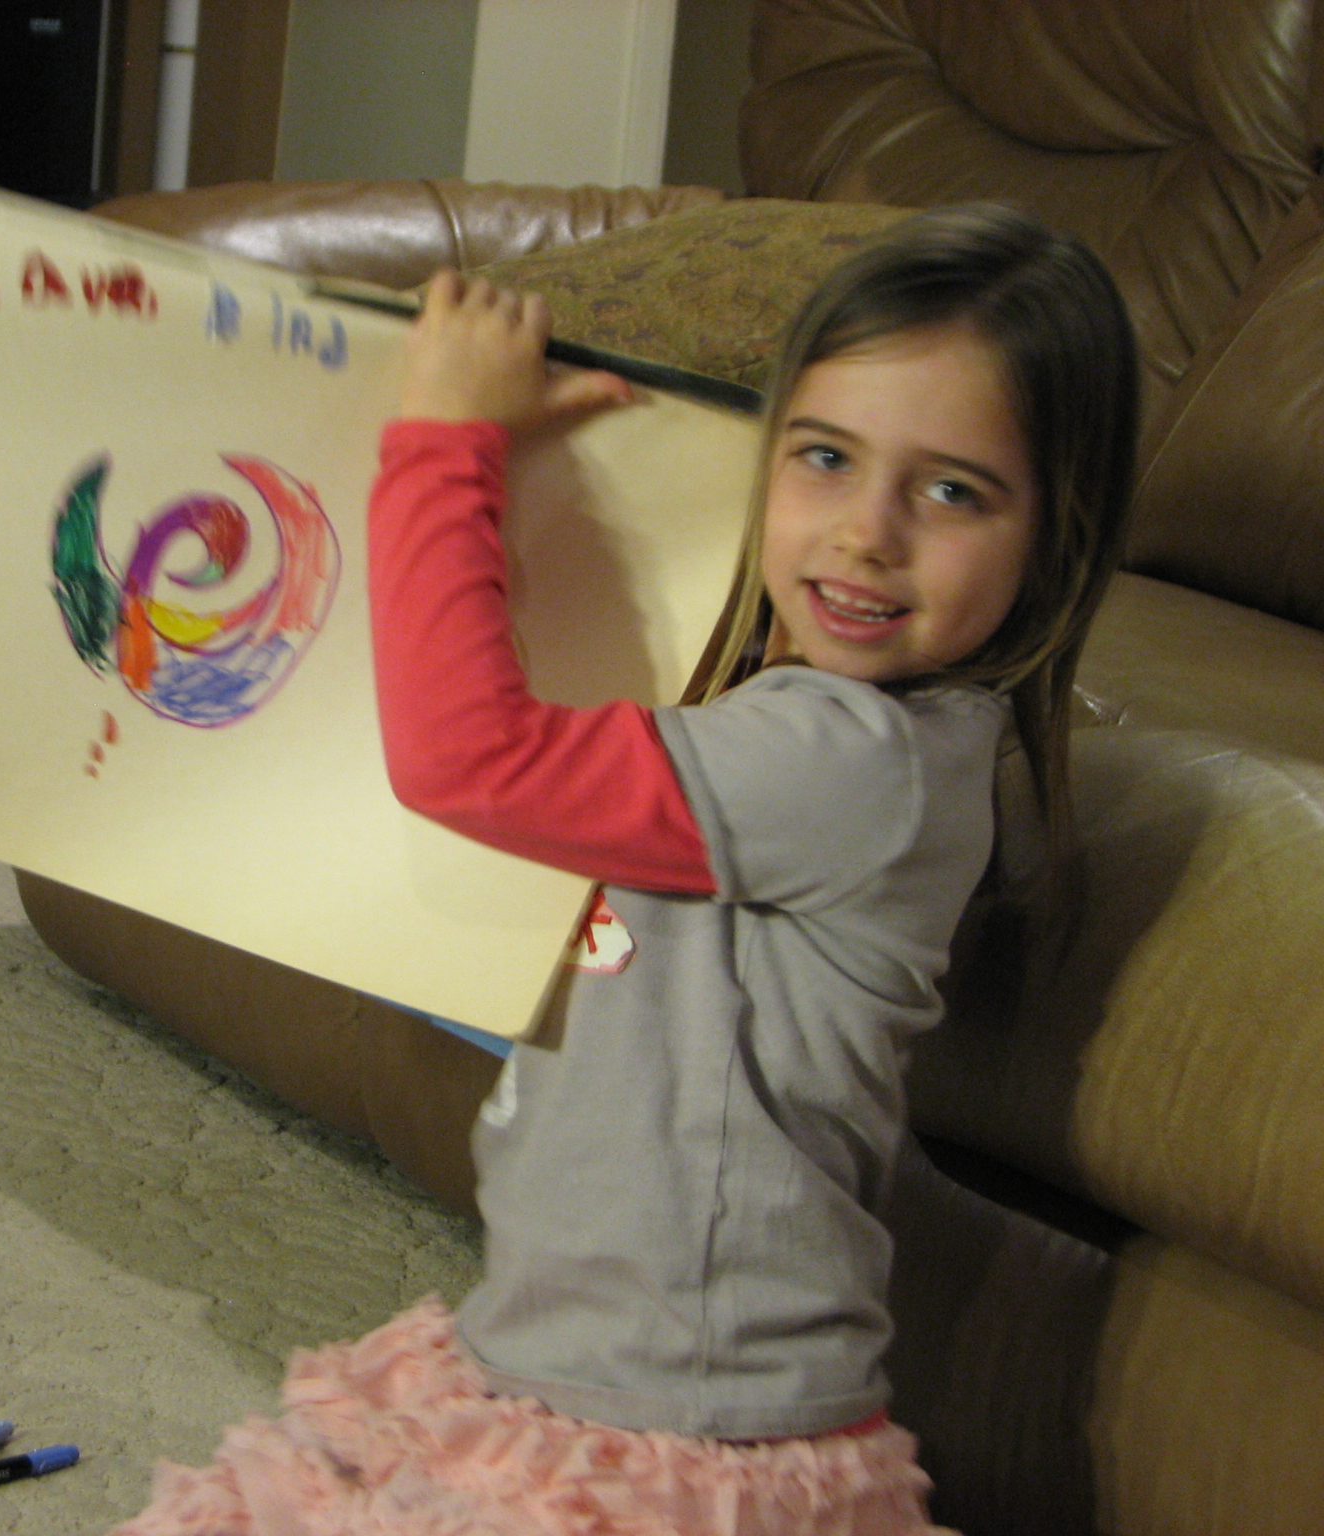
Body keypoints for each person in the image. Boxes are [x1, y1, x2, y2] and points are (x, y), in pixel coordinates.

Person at [110, 204, 1139, 1536]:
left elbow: (468, 760)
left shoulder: (853, 762)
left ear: (1057, 540)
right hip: (569, 1367)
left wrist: (446, 447)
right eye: (825, 457)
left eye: (952, 491)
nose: (866, 533)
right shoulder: (813, 722)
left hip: (685, 1429)